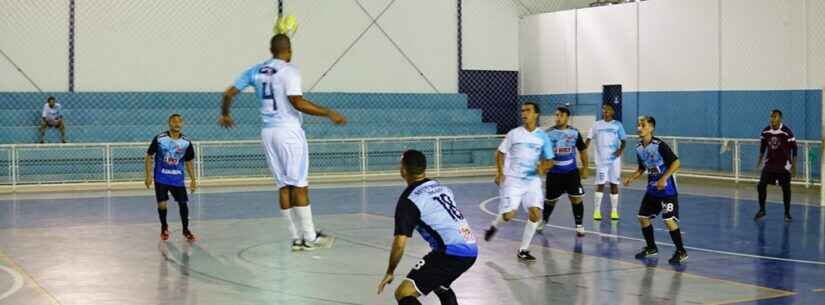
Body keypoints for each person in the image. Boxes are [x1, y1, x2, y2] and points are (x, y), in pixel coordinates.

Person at [219, 34, 346, 251]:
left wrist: (225, 114)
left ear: (272, 49)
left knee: (283, 186)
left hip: (268, 133)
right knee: (299, 184)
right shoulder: (290, 70)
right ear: (289, 50)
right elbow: (297, 102)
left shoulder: (255, 70)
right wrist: (328, 112)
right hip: (288, 132)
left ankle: (296, 239)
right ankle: (311, 237)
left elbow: (229, 93)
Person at [377, 150, 477, 305]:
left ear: (403, 171)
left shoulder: (409, 200)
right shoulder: (440, 187)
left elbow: (400, 243)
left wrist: (390, 271)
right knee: (440, 285)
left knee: (404, 293)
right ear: (424, 168)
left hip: (450, 252)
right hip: (471, 247)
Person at [483, 102, 555, 263]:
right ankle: (494, 226)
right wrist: (500, 172)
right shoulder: (514, 134)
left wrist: (542, 169)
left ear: (536, 114)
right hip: (513, 180)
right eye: (522, 111)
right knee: (509, 215)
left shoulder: (543, 137)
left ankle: (523, 250)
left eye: (528, 111)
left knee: (536, 214)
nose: (524, 113)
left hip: (532, 182)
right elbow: (500, 153)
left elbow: (550, 160)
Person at [623, 116, 687, 264]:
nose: (639, 128)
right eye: (638, 125)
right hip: (652, 190)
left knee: (668, 220)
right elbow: (642, 168)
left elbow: (676, 163)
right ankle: (651, 248)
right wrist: (631, 178)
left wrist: (664, 178)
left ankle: (681, 251)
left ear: (651, 128)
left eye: (643, 125)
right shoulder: (639, 148)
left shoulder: (659, 145)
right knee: (643, 217)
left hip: (667, 190)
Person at [145, 113, 197, 242]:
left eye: (179, 121)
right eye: (174, 121)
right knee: (162, 204)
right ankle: (164, 227)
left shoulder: (186, 142)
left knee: (183, 204)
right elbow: (149, 156)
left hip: (177, 179)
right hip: (161, 177)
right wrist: (148, 175)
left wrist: (193, 179)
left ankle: (186, 230)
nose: (177, 123)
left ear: (182, 124)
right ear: (169, 123)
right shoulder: (160, 139)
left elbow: (189, 161)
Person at [539, 106, 589, 236]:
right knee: (550, 200)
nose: (558, 118)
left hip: (571, 172)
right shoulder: (548, 134)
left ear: (567, 117)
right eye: (556, 115)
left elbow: (582, 151)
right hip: (554, 173)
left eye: (561, 115)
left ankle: (579, 225)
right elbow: (542, 152)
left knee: (576, 198)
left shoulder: (574, 133)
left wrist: (585, 168)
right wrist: (543, 166)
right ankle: (544, 220)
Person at [754, 109, 797, 222]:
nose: (773, 119)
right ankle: (762, 210)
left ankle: (787, 213)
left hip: (784, 165)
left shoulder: (787, 132)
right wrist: (760, 159)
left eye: (775, 117)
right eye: (771, 117)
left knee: (786, 189)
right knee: (761, 185)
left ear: (780, 118)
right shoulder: (765, 131)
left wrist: (794, 166)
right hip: (770, 164)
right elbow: (763, 146)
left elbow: (795, 148)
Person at [585, 103, 626, 220]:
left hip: (614, 161)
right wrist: (583, 150)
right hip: (602, 161)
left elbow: (623, 141)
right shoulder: (596, 125)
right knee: (600, 184)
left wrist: (620, 150)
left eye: (607, 110)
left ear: (613, 111)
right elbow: (588, 140)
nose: (605, 112)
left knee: (614, 184)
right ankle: (597, 211)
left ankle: (614, 211)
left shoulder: (618, 125)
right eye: (603, 110)